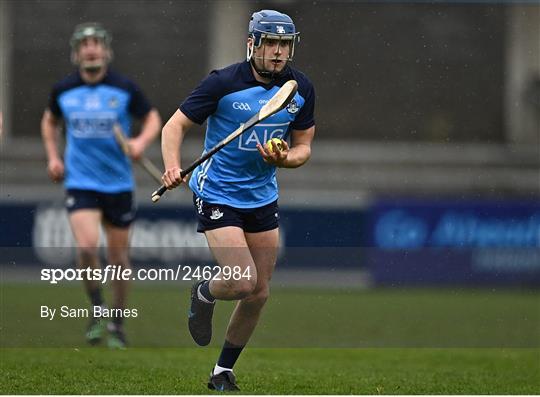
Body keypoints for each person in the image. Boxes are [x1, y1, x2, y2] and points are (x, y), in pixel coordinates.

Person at [161, 10, 315, 391]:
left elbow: (304, 147)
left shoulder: (301, 88)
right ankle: (202, 292)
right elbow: (174, 125)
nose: (279, 53)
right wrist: (171, 167)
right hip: (217, 192)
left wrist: (284, 159)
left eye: (285, 44)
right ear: (252, 44)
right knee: (242, 280)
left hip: (261, 197)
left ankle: (221, 372)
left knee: (259, 292)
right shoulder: (223, 83)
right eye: (271, 44)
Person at [41, 22, 162, 348]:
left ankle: (117, 323)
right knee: (86, 247)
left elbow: (153, 117)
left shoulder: (124, 88)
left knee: (119, 260)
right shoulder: (63, 90)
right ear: (76, 53)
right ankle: (97, 309)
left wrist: (140, 143)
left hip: (118, 184)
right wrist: (54, 157)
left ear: (106, 51)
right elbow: (50, 121)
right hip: (81, 181)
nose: (91, 49)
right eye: (85, 44)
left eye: (96, 43)